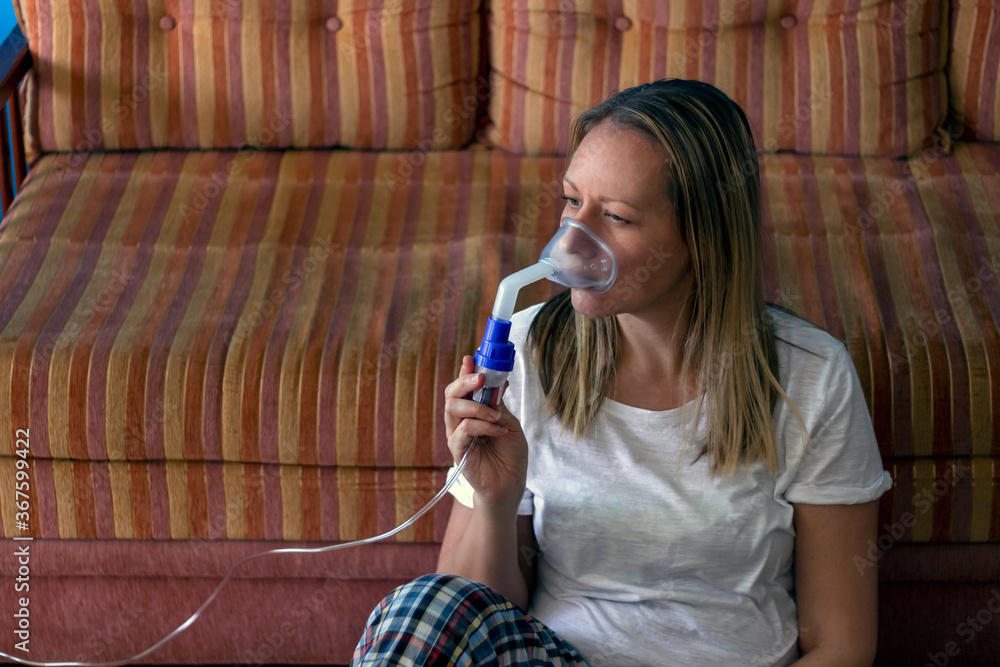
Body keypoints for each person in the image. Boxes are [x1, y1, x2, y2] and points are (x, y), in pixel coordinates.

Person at [352, 78, 894, 666]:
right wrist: (495, 501)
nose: (574, 240)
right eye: (572, 201)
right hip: (559, 657)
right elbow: (466, 618)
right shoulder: (527, 350)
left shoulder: (810, 376)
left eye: (615, 216)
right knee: (422, 608)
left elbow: (841, 645)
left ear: (701, 237)